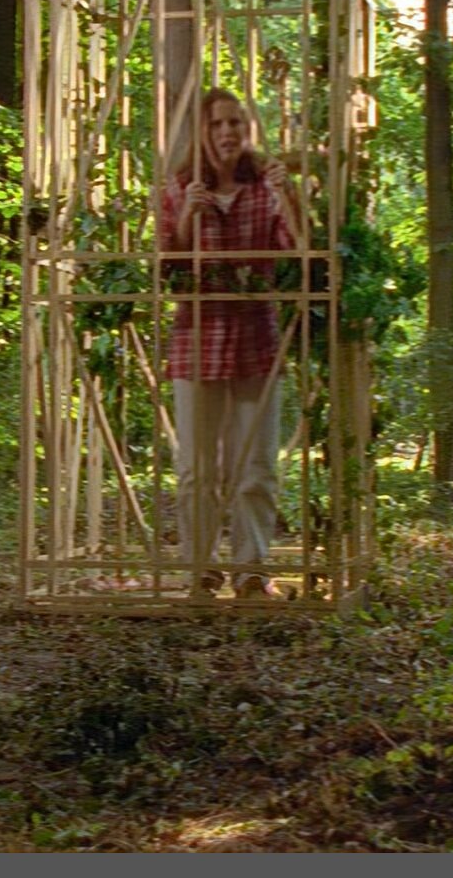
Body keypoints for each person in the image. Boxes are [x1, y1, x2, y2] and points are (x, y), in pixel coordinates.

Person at [160, 88, 301, 600]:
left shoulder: (266, 185)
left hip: (256, 339)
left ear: (248, 129)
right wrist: (187, 217)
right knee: (196, 469)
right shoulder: (179, 187)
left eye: (236, 123)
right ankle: (200, 570)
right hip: (197, 339)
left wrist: (291, 198)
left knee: (256, 467)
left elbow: (300, 253)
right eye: (217, 124)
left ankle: (251, 572)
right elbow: (165, 270)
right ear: (201, 131)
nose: (227, 133)